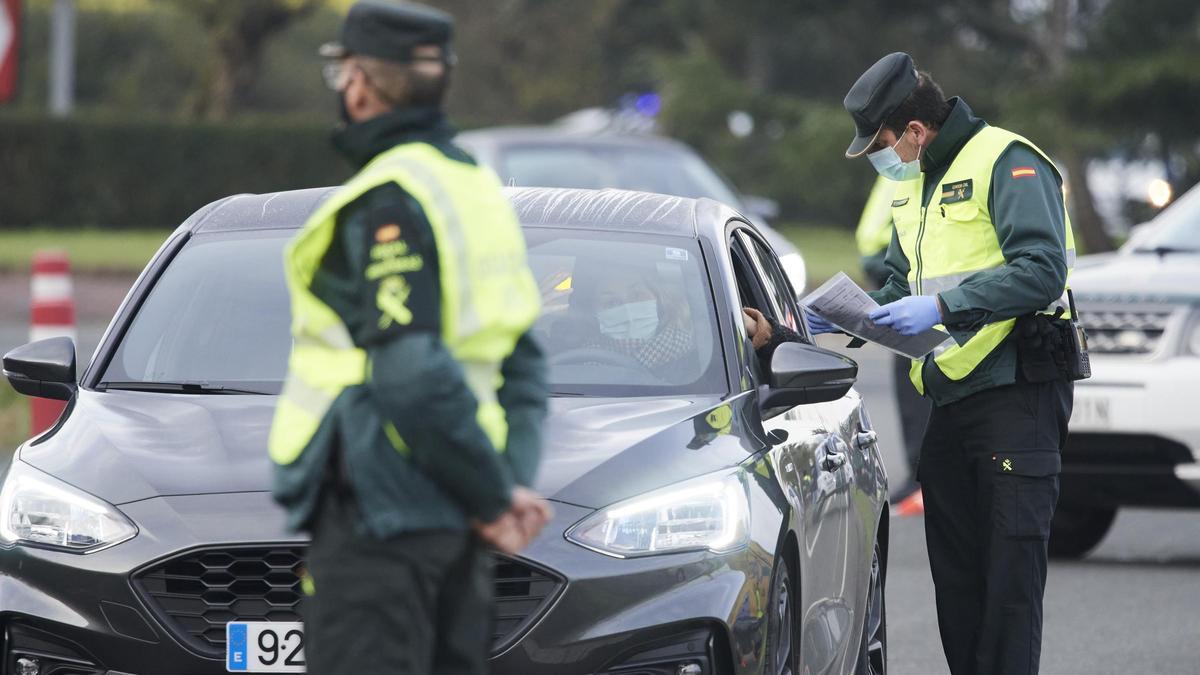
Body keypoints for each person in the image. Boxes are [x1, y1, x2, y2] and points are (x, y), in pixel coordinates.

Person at [267, 2, 552, 673]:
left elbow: (411, 371)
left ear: (358, 82)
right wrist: (503, 485)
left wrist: (490, 496)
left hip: (379, 519)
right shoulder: (476, 190)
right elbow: (526, 366)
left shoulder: (388, 197)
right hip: (457, 525)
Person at [814, 52, 1078, 675]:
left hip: (1016, 394)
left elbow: (1043, 270)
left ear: (913, 129)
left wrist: (943, 306)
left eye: (880, 143)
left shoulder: (1007, 160)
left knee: (1008, 590)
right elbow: (901, 282)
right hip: (951, 401)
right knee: (958, 588)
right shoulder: (914, 186)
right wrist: (833, 316)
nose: (880, 158)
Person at [856, 174, 931, 509]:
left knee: (920, 387)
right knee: (907, 384)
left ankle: (923, 477)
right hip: (890, 269)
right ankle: (917, 474)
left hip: (918, 278)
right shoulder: (897, 166)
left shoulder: (920, 165)